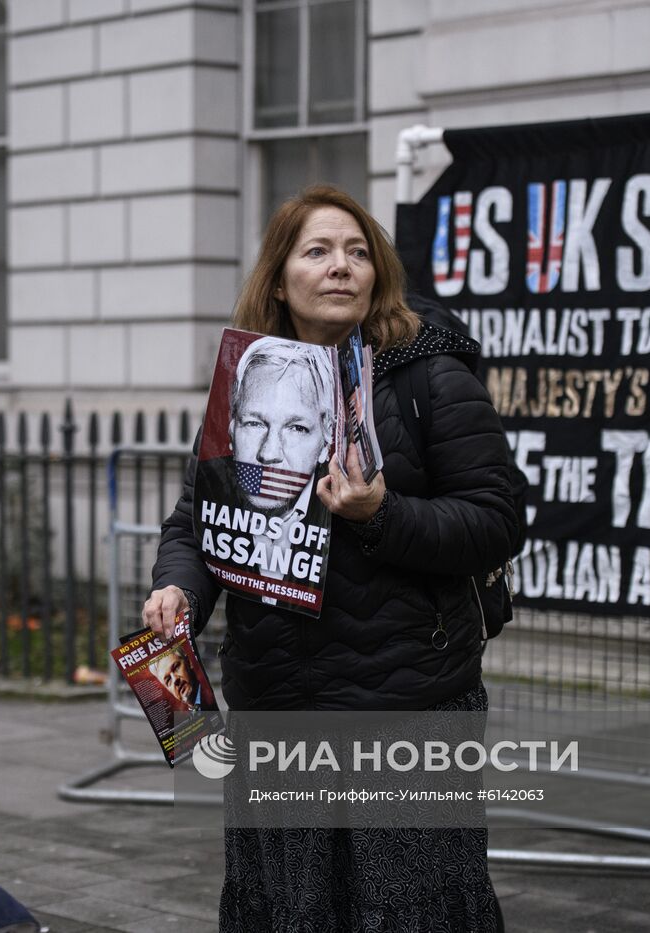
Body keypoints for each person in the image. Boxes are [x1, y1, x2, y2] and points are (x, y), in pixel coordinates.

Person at [146, 185, 518, 930]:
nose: (341, 266)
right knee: (294, 907)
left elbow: (496, 521)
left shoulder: (428, 376)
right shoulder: (245, 379)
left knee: (410, 910)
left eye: (356, 252)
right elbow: (197, 520)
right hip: (278, 705)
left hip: (405, 707)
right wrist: (177, 589)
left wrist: (383, 515)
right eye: (317, 251)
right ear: (280, 278)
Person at [195, 336, 337, 590]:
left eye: (296, 428)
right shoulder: (211, 480)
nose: (269, 452)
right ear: (231, 428)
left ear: (325, 439)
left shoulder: (348, 503)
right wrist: (182, 591)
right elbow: (187, 539)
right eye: (254, 423)